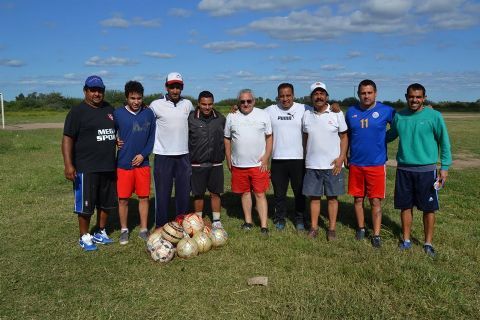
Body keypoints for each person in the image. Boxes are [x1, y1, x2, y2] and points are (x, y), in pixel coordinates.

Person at [387, 83, 451, 257]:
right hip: (404, 170)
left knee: (428, 209)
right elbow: (390, 136)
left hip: (427, 171)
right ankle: (406, 240)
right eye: (411, 96)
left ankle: (428, 243)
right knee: (405, 207)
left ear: (424, 97)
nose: (414, 100)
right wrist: (369, 135)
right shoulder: (399, 116)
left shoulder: (434, 116)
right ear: (406, 96)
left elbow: (444, 142)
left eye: (418, 97)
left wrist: (444, 168)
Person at [62, 75, 117, 251]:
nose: (96, 93)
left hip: (108, 165)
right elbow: (67, 139)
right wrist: (68, 164)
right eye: (93, 90)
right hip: (86, 167)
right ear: (85, 91)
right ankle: (84, 236)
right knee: (86, 206)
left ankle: (100, 231)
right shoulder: (77, 112)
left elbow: (117, 128)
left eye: (99, 90)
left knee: (106, 203)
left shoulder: (109, 108)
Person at [345, 79, 395, 248]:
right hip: (356, 163)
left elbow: (399, 125)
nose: (366, 96)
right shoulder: (351, 111)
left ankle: (376, 234)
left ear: (375, 93)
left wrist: (384, 139)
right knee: (358, 199)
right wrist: (345, 154)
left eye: (369, 93)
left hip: (376, 164)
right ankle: (360, 228)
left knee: (375, 201)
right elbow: (347, 136)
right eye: (363, 93)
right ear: (358, 94)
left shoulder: (386, 110)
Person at [302, 82, 348, 240]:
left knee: (332, 198)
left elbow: (344, 137)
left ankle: (332, 229)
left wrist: (341, 157)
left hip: (333, 164)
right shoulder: (306, 114)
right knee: (314, 198)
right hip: (312, 163)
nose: (319, 96)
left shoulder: (337, 113)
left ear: (327, 96)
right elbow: (305, 137)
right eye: (316, 94)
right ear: (311, 97)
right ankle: (314, 228)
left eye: (322, 93)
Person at [224, 89, 273, 235]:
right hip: (239, 164)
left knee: (260, 194)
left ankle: (264, 225)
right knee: (245, 193)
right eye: (242, 101)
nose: (246, 104)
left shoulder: (263, 115)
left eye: (248, 101)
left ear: (254, 101)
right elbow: (227, 138)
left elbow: (269, 137)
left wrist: (266, 157)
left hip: (258, 164)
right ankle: (248, 221)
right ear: (238, 102)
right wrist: (228, 158)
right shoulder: (232, 116)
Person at [149, 72, 194, 228]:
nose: (175, 90)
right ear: (166, 87)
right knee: (162, 195)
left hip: (183, 155)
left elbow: (199, 118)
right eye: (172, 87)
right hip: (163, 155)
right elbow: (143, 123)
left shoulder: (187, 104)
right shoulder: (155, 105)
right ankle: (161, 227)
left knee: (183, 195)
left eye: (178, 87)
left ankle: (181, 225)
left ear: (182, 88)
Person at [114, 80, 156, 245]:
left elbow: (152, 138)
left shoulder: (148, 114)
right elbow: (109, 132)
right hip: (123, 164)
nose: (136, 102)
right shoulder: (117, 114)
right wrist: (115, 140)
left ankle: (144, 229)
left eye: (139, 98)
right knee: (123, 199)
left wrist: (143, 154)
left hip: (142, 164)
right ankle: (124, 230)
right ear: (126, 98)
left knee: (144, 197)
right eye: (132, 98)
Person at [265, 83, 311, 231]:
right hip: (278, 159)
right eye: (282, 96)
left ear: (293, 95)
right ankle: (280, 218)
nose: (285, 99)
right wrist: (237, 109)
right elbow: (253, 114)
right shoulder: (270, 110)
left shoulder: (304, 109)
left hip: (298, 159)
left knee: (299, 192)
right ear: (278, 96)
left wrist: (334, 106)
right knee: (279, 193)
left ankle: (300, 219)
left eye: (288, 95)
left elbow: (321, 109)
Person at [188, 90, 226, 229]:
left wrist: (238, 108)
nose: (207, 107)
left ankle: (216, 221)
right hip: (197, 163)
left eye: (210, 104)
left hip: (216, 162)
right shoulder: (190, 118)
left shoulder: (220, 118)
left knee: (215, 193)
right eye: (204, 104)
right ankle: (198, 220)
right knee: (198, 194)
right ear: (198, 104)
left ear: (213, 104)